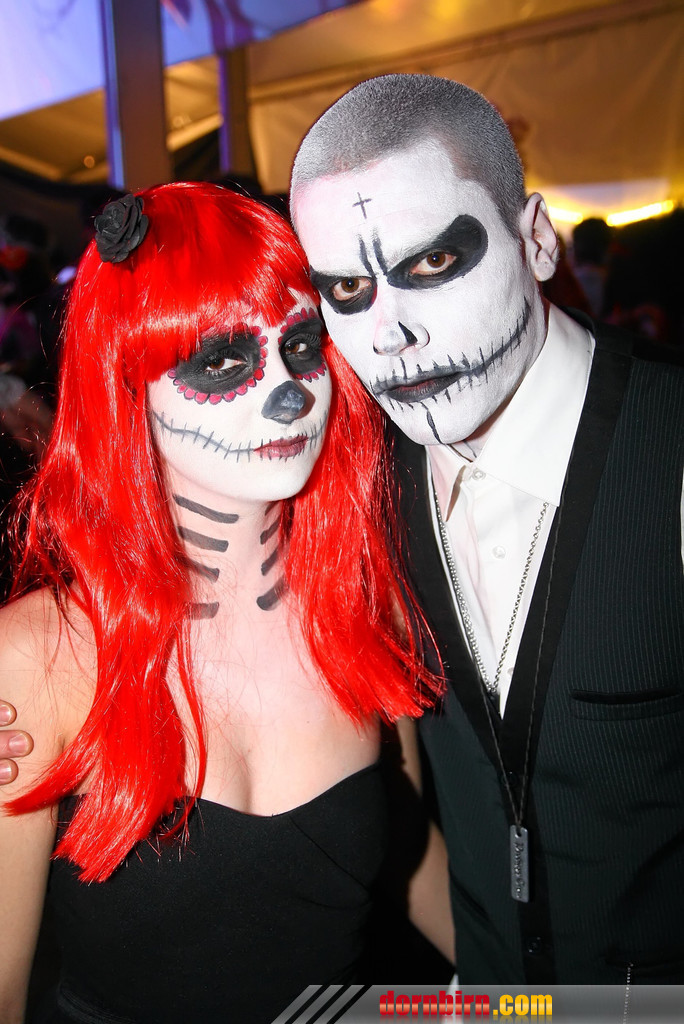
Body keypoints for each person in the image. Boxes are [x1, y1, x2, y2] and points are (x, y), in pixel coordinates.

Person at [0, 181, 450, 1023]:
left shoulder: (361, 602)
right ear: (124, 385)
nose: (288, 392)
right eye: (222, 361)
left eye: (302, 347)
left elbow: (403, 852)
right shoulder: (40, 660)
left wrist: (533, 994)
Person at [287, 74, 684, 984]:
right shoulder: (362, 483)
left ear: (536, 239)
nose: (390, 334)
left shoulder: (669, 451)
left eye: (432, 263)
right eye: (346, 288)